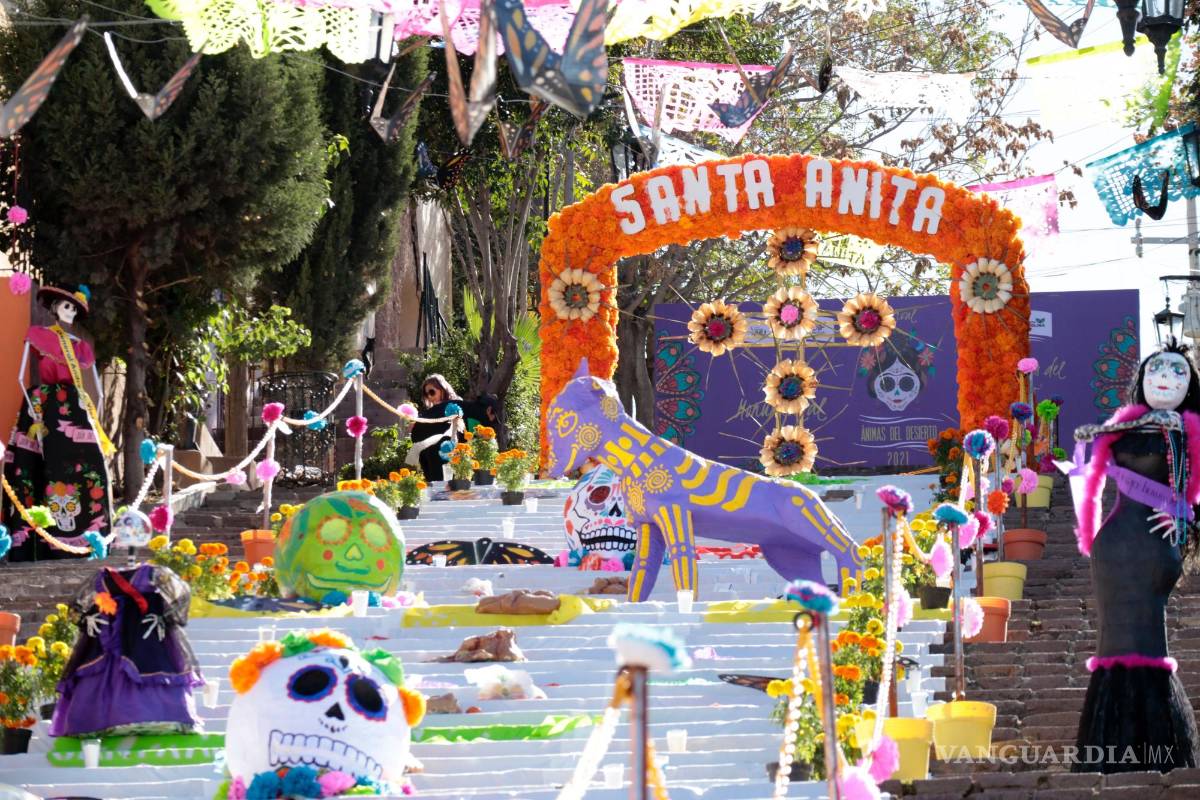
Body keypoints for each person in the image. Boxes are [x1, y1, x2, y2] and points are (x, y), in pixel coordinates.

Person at [1071, 341, 1200, 773]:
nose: (1165, 376)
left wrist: (1188, 522)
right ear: (1142, 378)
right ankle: (1109, 749)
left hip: (1153, 549)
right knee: (1113, 641)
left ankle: (1158, 745)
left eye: (1177, 371)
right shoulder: (1122, 426)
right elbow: (1089, 480)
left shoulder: (1192, 432)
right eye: (1156, 369)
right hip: (1113, 549)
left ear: (1191, 384)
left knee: (1147, 640)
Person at [3, 283, 112, 561]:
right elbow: (19, 376)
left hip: (76, 406)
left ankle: (89, 540)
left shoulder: (81, 347)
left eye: (74, 308)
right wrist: (34, 411)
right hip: (43, 406)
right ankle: (30, 543)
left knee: (91, 471)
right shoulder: (40, 335)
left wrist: (93, 412)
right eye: (66, 306)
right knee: (31, 470)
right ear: (54, 309)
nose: (70, 312)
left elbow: (97, 390)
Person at [408, 374, 464, 483]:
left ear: (442, 389)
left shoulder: (456, 405)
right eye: (426, 394)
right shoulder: (428, 413)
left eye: (432, 392)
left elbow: (461, 430)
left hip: (452, 453)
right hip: (432, 458)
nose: (429, 397)